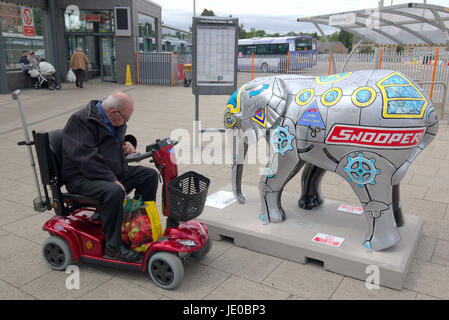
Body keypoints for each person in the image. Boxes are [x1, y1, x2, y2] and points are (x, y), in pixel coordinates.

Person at [61, 91, 159, 262]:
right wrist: (111, 179)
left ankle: (137, 226)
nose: (125, 122)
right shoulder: (81, 121)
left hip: (108, 172)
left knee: (149, 176)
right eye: (125, 119)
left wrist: (128, 144)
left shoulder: (111, 119)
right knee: (114, 191)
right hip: (82, 178)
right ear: (114, 112)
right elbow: (86, 158)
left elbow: (109, 143)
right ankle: (114, 248)